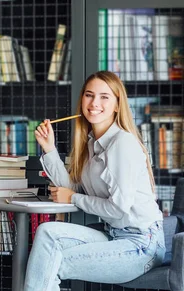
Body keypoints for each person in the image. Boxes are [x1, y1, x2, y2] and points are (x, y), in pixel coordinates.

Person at [24, 71, 166, 290]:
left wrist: (73, 197)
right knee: (47, 232)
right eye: (89, 95)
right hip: (114, 235)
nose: (94, 103)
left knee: (52, 263)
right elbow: (69, 189)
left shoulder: (122, 143)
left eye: (104, 97)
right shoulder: (92, 144)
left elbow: (118, 209)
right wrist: (49, 148)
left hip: (141, 244)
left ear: (117, 105)